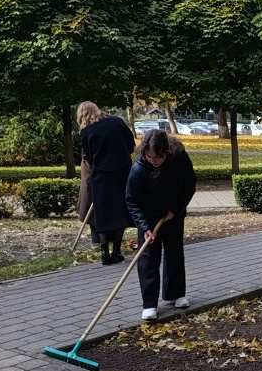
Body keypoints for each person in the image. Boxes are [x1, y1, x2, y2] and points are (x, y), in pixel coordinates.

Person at [125, 129, 197, 321]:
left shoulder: (180, 158)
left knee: (175, 253)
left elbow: (189, 185)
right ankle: (149, 304)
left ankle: (176, 294)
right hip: (149, 217)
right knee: (148, 258)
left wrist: (175, 210)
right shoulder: (139, 168)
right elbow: (132, 200)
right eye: (149, 156)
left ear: (167, 152)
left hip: (173, 214)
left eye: (158, 157)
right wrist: (144, 226)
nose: (153, 161)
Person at [78, 101, 135, 264]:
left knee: (103, 213)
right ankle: (116, 251)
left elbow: (88, 158)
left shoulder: (86, 132)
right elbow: (131, 146)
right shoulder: (118, 122)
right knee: (120, 211)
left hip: (100, 176)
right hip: (122, 173)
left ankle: (104, 253)